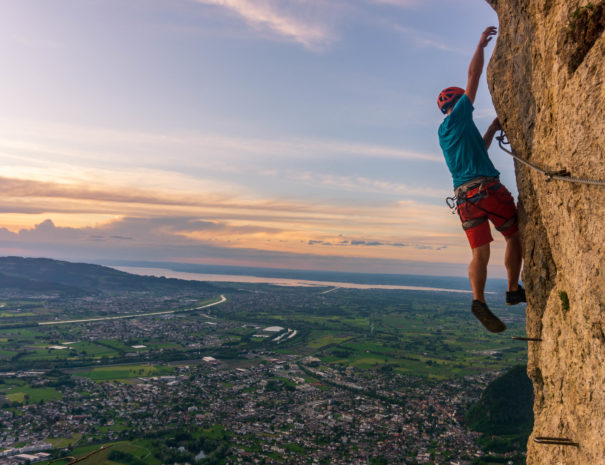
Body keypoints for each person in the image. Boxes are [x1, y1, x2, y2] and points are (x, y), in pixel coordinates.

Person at [437, 26, 525, 333]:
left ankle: (479, 301)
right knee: (513, 235)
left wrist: (491, 128)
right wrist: (480, 46)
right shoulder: (460, 115)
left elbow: (479, 150)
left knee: (480, 253)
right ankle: (513, 289)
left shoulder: (446, 133)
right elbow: (473, 76)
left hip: (464, 199)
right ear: (458, 104)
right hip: (488, 190)